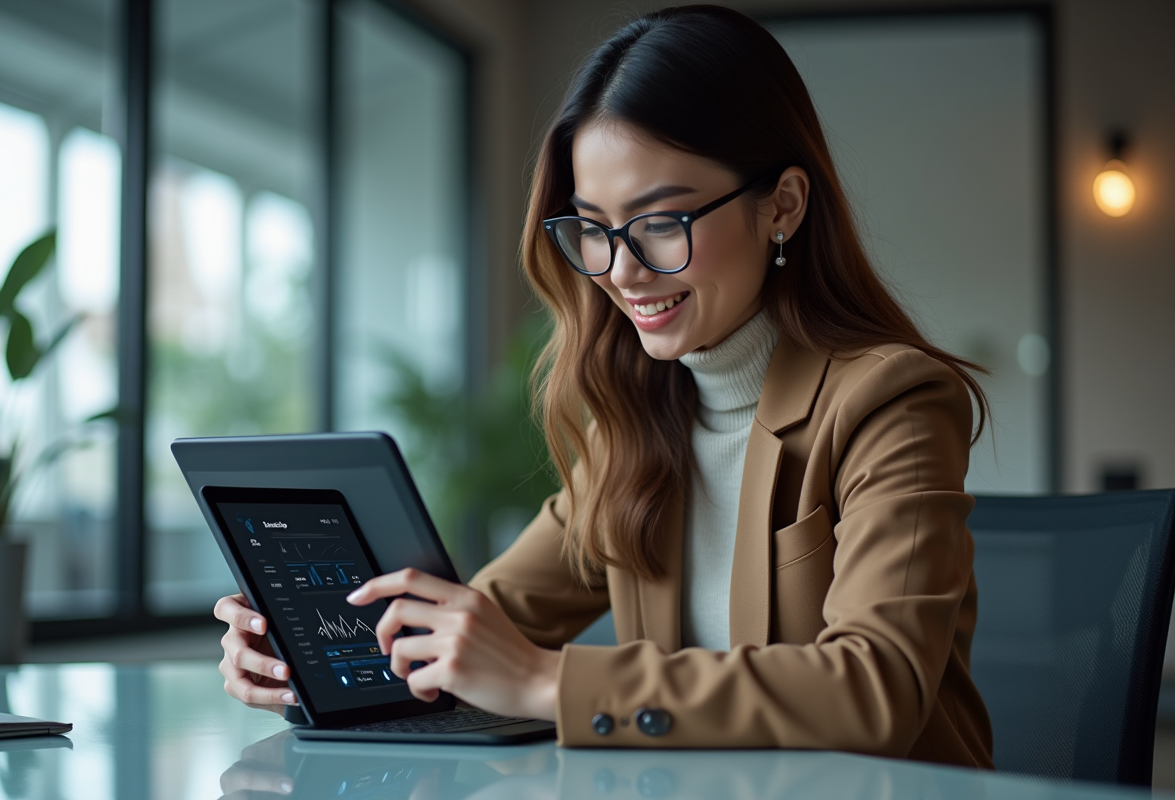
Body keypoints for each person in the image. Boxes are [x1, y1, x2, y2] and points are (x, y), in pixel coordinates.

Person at [214, 5, 994, 766]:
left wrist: (543, 679)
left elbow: (875, 690)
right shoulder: (639, 420)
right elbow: (473, 629)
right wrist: (304, 659)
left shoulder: (892, 401)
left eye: (661, 222)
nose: (620, 271)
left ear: (781, 205)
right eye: (593, 226)